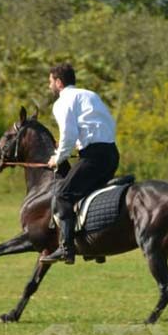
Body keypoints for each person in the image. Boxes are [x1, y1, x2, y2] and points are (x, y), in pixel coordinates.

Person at [41, 62, 120, 264]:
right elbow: (104, 125)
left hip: (93, 157)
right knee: (89, 195)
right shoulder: (91, 95)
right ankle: (96, 249)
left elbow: (68, 134)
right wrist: (77, 144)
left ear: (58, 82)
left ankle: (65, 249)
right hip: (111, 153)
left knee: (62, 195)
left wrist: (57, 157)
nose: (49, 85)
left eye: (50, 81)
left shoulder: (62, 102)